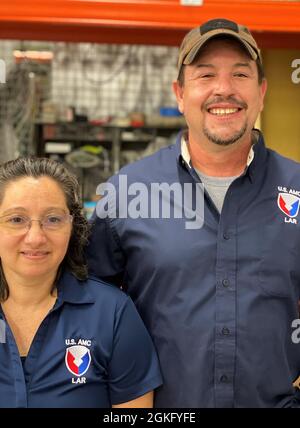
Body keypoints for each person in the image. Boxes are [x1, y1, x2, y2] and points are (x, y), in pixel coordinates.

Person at [87, 18, 300, 407]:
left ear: (262, 92)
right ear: (180, 94)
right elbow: (88, 308)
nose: (224, 89)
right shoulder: (128, 191)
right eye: (205, 75)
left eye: (240, 73)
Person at [0, 157, 162, 408]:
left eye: (53, 219)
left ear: (72, 225)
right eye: (16, 220)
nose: (35, 238)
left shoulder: (112, 314)